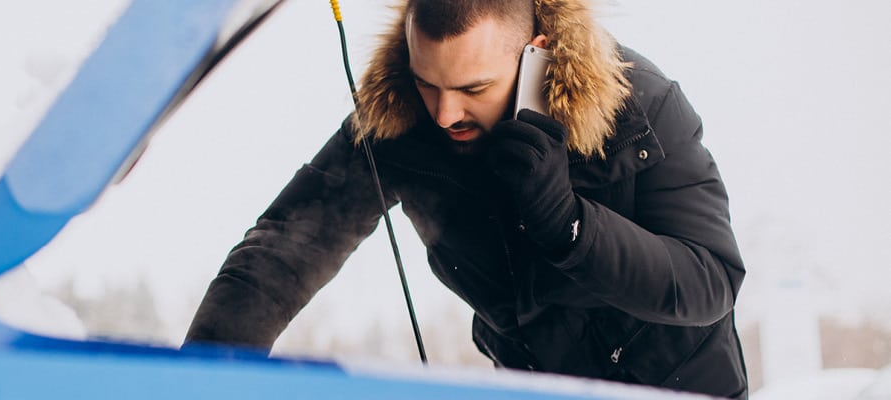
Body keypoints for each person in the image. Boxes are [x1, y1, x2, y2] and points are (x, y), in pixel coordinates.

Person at [185, 0, 748, 398]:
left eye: (472, 89)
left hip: (677, 390)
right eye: (427, 82)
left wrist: (571, 226)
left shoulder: (641, 108)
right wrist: (201, 378)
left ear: (537, 56)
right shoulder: (400, 118)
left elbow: (712, 281)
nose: (443, 113)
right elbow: (281, 253)